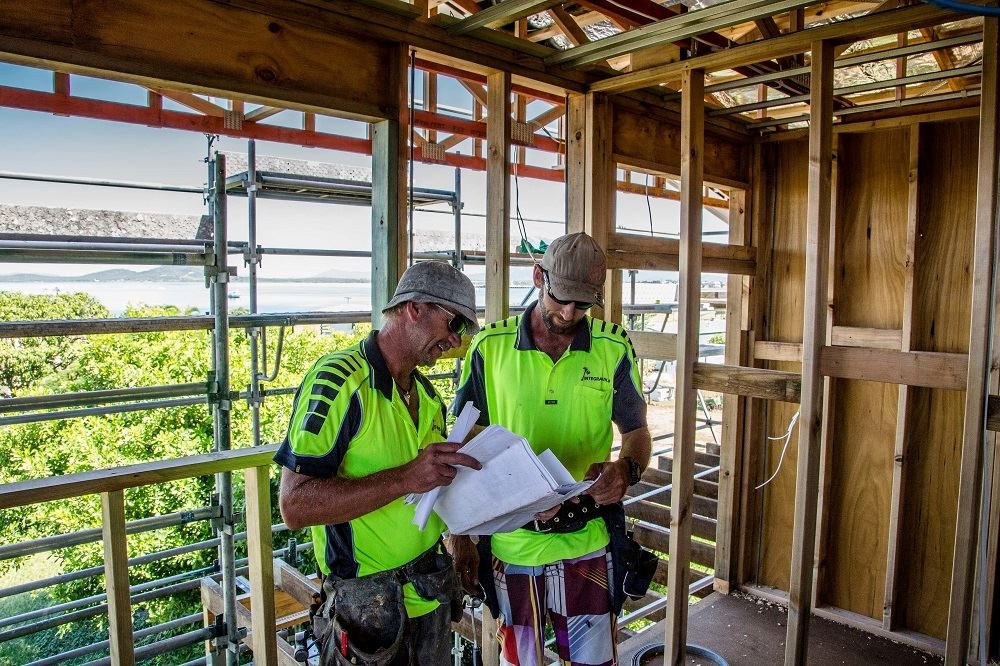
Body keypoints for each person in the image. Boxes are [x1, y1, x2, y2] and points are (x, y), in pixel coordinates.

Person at [450, 232, 652, 666]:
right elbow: (462, 444)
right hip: (511, 547)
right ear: (538, 276)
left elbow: (636, 430)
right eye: (561, 298)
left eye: (583, 304)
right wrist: (460, 535)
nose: (568, 312)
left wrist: (626, 469)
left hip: (586, 540)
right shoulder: (490, 347)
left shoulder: (613, 347)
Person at [275, 260, 483, 666]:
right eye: (455, 324)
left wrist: (461, 539)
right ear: (414, 308)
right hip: (365, 611)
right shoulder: (338, 382)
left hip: (429, 596)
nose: (456, 342)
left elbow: (433, 484)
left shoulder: (427, 397)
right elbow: (295, 506)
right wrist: (405, 478)